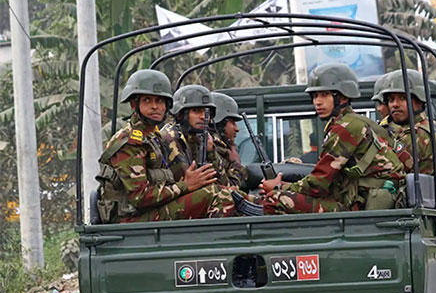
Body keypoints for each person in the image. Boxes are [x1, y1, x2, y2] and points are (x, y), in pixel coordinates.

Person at [260, 63, 405, 214]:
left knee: (274, 199)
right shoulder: (353, 122)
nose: (317, 102)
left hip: (360, 207)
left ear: (342, 96)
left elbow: (318, 183)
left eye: (324, 95)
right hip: (358, 200)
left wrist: (279, 186)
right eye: (315, 96)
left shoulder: (345, 128)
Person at [95, 70, 237, 223]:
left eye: (160, 101)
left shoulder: (152, 137)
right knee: (215, 194)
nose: (155, 106)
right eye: (147, 100)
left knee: (228, 193)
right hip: (130, 220)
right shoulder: (130, 141)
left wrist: (188, 183)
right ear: (134, 104)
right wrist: (185, 185)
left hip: (148, 212)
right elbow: (139, 198)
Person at [381, 69, 436, 179]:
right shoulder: (381, 130)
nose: (395, 104)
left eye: (403, 98)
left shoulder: (434, 132)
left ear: (420, 100)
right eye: (391, 99)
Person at [210, 91, 248, 189]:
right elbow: (230, 190)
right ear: (220, 122)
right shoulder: (213, 148)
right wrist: (236, 163)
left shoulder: (218, 146)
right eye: (232, 122)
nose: (237, 128)